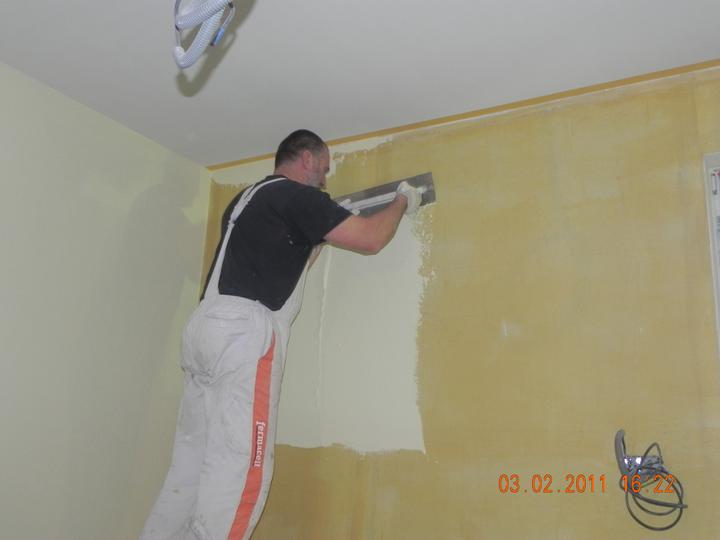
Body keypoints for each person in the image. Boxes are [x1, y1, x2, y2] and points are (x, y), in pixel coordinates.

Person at [140, 129, 421, 540]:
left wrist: (318, 239)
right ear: (307, 158)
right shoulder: (297, 196)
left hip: (205, 330)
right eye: (324, 168)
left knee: (192, 463)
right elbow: (371, 239)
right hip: (242, 335)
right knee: (241, 466)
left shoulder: (249, 199)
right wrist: (403, 200)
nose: (325, 178)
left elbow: (281, 264)